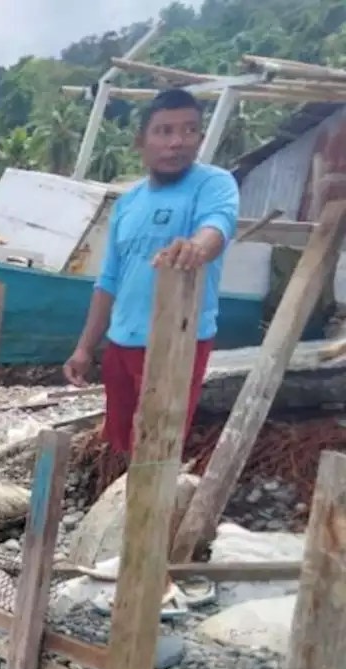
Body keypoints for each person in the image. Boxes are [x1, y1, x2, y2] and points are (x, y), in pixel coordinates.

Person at [62, 88, 238, 614]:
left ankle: (153, 580)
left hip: (178, 339)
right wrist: (84, 346)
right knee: (130, 447)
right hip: (122, 341)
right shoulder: (131, 203)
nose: (176, 141)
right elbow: (109, 279)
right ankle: (136, 550)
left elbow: (218, 230)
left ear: (199, 136)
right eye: (164, 131)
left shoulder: (213, 184)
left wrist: (196, 248)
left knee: (158, 449)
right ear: (143, 140)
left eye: (187, 130)